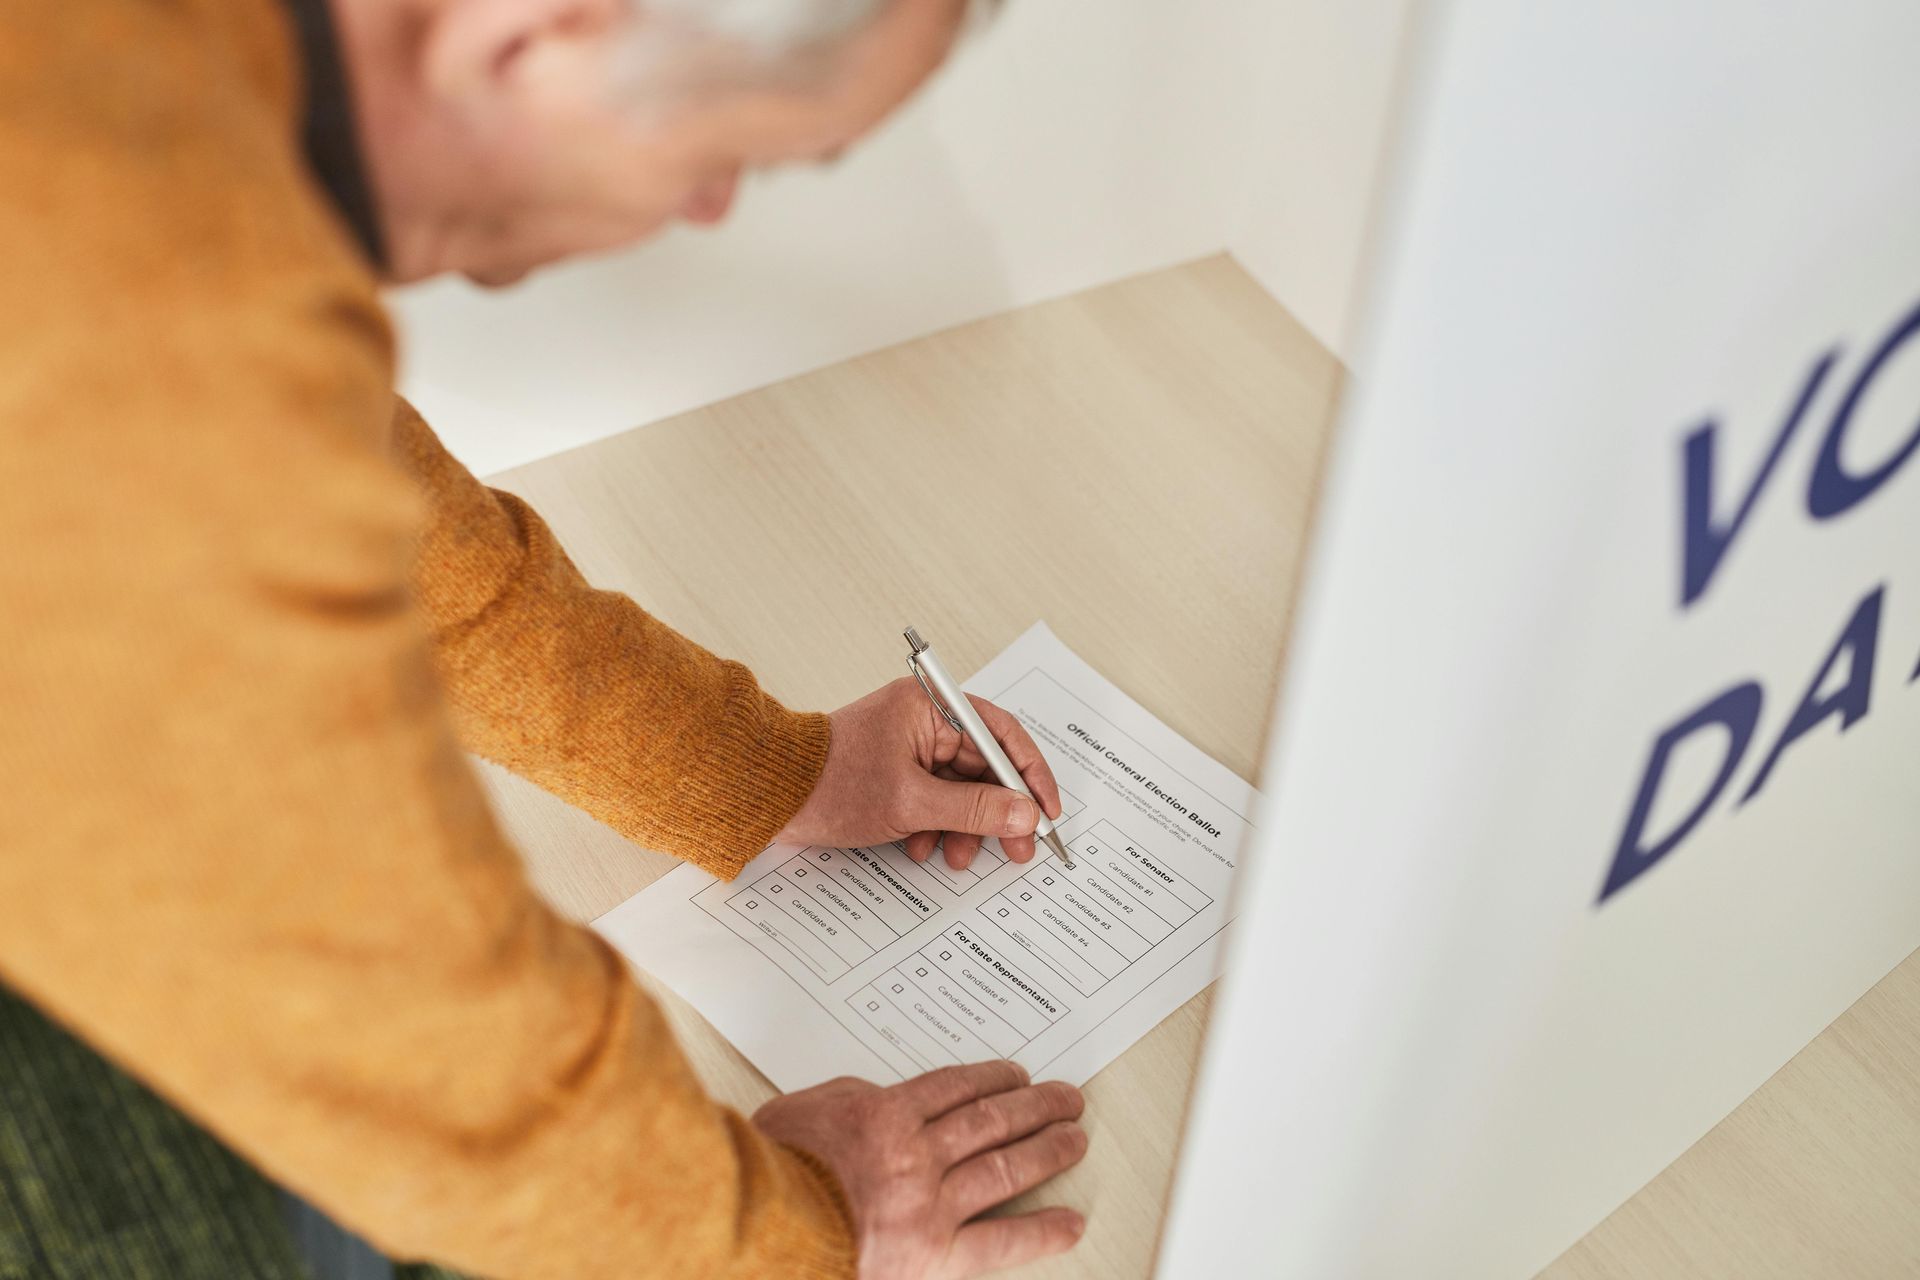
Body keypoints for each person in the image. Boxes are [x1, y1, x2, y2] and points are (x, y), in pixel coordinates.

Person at [0, 0, 1092, 1276]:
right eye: (722, 152)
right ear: (520, 36)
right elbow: (413, 1034)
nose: (711, 211)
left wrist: (771, 765)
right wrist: (791, 1235)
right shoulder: (127, 314)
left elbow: (413, 550)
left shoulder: (143, 85)